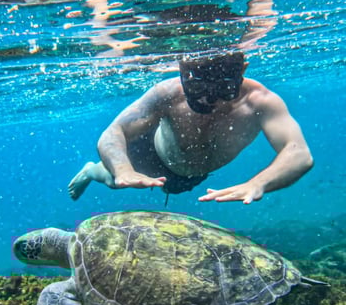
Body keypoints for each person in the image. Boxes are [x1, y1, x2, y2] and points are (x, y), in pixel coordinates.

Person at [68, 50, 313, 204]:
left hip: (192, 175)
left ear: (242, 70)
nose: (208, 99)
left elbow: (299, 153)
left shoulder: (260, 101)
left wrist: (257, 184)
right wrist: (123, 170)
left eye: (222, 87)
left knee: (175, 188)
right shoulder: (167, 93)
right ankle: (90, 171)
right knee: (114, 180)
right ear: (183, 73)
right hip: (152, 154)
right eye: (198, 87)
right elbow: (113, 133)